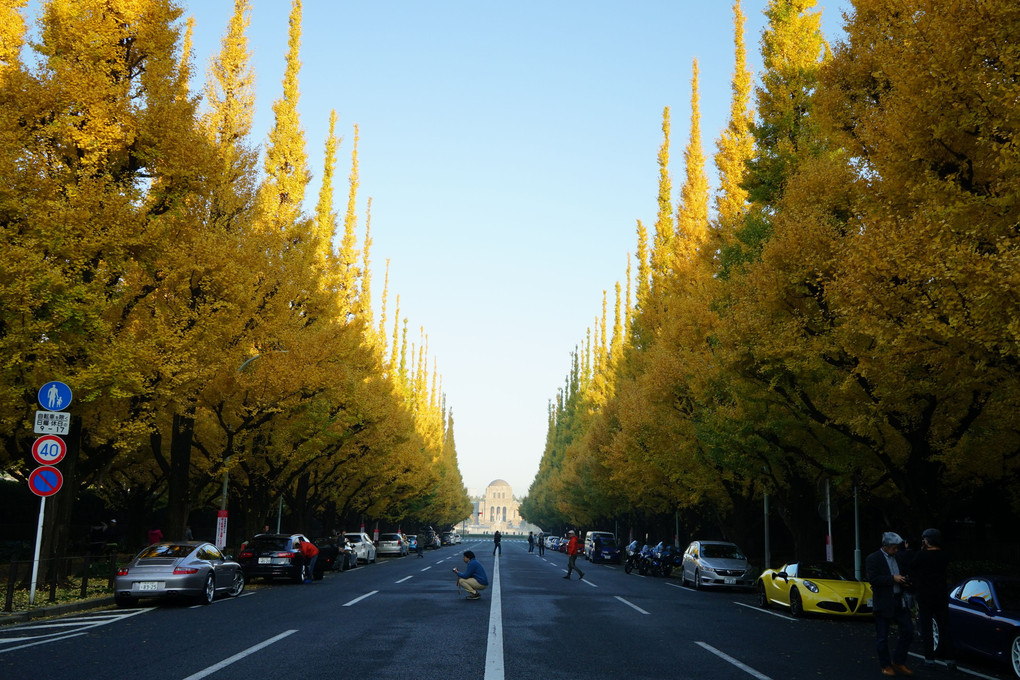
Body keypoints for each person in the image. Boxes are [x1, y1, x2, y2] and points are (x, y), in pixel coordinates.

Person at [905, 528, 956, 669]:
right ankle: (950, 659)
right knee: (944, 626)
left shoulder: (922, 555)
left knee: (927, 626)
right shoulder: (945, 555)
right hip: (940, 595)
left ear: (927, 540)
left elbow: (911, 566)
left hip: (925, 595)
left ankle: (929, 658)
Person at [866, 531, 914, 677]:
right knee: (882, 636)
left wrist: (905, 581)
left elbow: (903, 572)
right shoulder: (873, 558)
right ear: (885, 546)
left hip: (899, 600)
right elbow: (873, 579)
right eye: (893, 548)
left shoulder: (898, 557)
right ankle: (885, 665)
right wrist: (893, 578)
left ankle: (898, 661)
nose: (896, 550)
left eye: (897, 547)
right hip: (883, 601)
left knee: (908, 631)